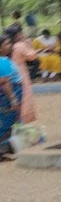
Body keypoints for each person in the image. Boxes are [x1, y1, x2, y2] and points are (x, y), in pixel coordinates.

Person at [6, 25, 39, 124]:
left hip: (8, 72)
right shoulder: (19, 45)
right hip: (20, 72)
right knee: (25, 96)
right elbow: (32, 56)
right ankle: (22, 120)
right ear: (17, 35)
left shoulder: (7, 45)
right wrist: (28, 43)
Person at [0, 31, 20, 159]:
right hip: (9, 94)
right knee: (7, 120)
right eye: (7, 43)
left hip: (12, 92)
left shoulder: (6, 59)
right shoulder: (3, 62)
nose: (10, 45)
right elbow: (5, 82)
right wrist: (13, 99)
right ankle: (3, 149)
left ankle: (8, 146)